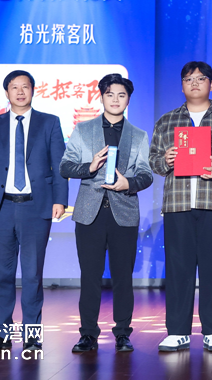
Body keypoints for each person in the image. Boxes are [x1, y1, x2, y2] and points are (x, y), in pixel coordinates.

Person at [149, 61, 212, 352]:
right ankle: (177, 331)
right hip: (178, 204)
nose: (194, 83)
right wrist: (165, 160)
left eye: (201, 78)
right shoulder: (167, 120)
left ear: (211, 84)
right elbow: (153, 159)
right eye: (188, 79)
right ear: (181, 86)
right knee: (177, 270)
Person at [0, 70, 68, 352]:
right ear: (7, 92)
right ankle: (0, 334)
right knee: (2, 274)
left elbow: (59, 165)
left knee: (33, 275)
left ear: (33, 90)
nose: (20, 92)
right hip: (1, 207)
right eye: (15, 87)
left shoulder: (49, 122)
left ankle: (32, 335)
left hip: (36, 207)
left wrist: (60, 199)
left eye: (25, 87)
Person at [60, 73, 153, 353]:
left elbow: (146, 174)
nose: (115, 99)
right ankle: (88, 334)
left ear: (128, 100)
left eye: (121, 95)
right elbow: (65, 166)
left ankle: (123, 333)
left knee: (123, 277)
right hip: (89, 213)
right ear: (101, 97)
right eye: (110, 94)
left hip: (124, 212)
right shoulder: (83, 129)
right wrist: (88, 168)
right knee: (90, 276)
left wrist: (129, 184)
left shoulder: (139, 135)